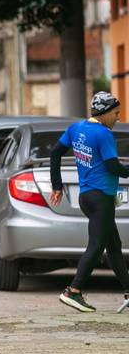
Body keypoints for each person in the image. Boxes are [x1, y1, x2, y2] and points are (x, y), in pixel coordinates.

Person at [50, 91, 129, 312]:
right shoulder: (103, 134)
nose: (118, 117)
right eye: (116, 113)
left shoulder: (76, 128)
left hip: (87, 197)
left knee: (113, 246)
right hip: (101, 198)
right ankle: (73, 291)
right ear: (104, 113)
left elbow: (55, 153)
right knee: (96, 246)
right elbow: (113, 166)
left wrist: (57, 185)